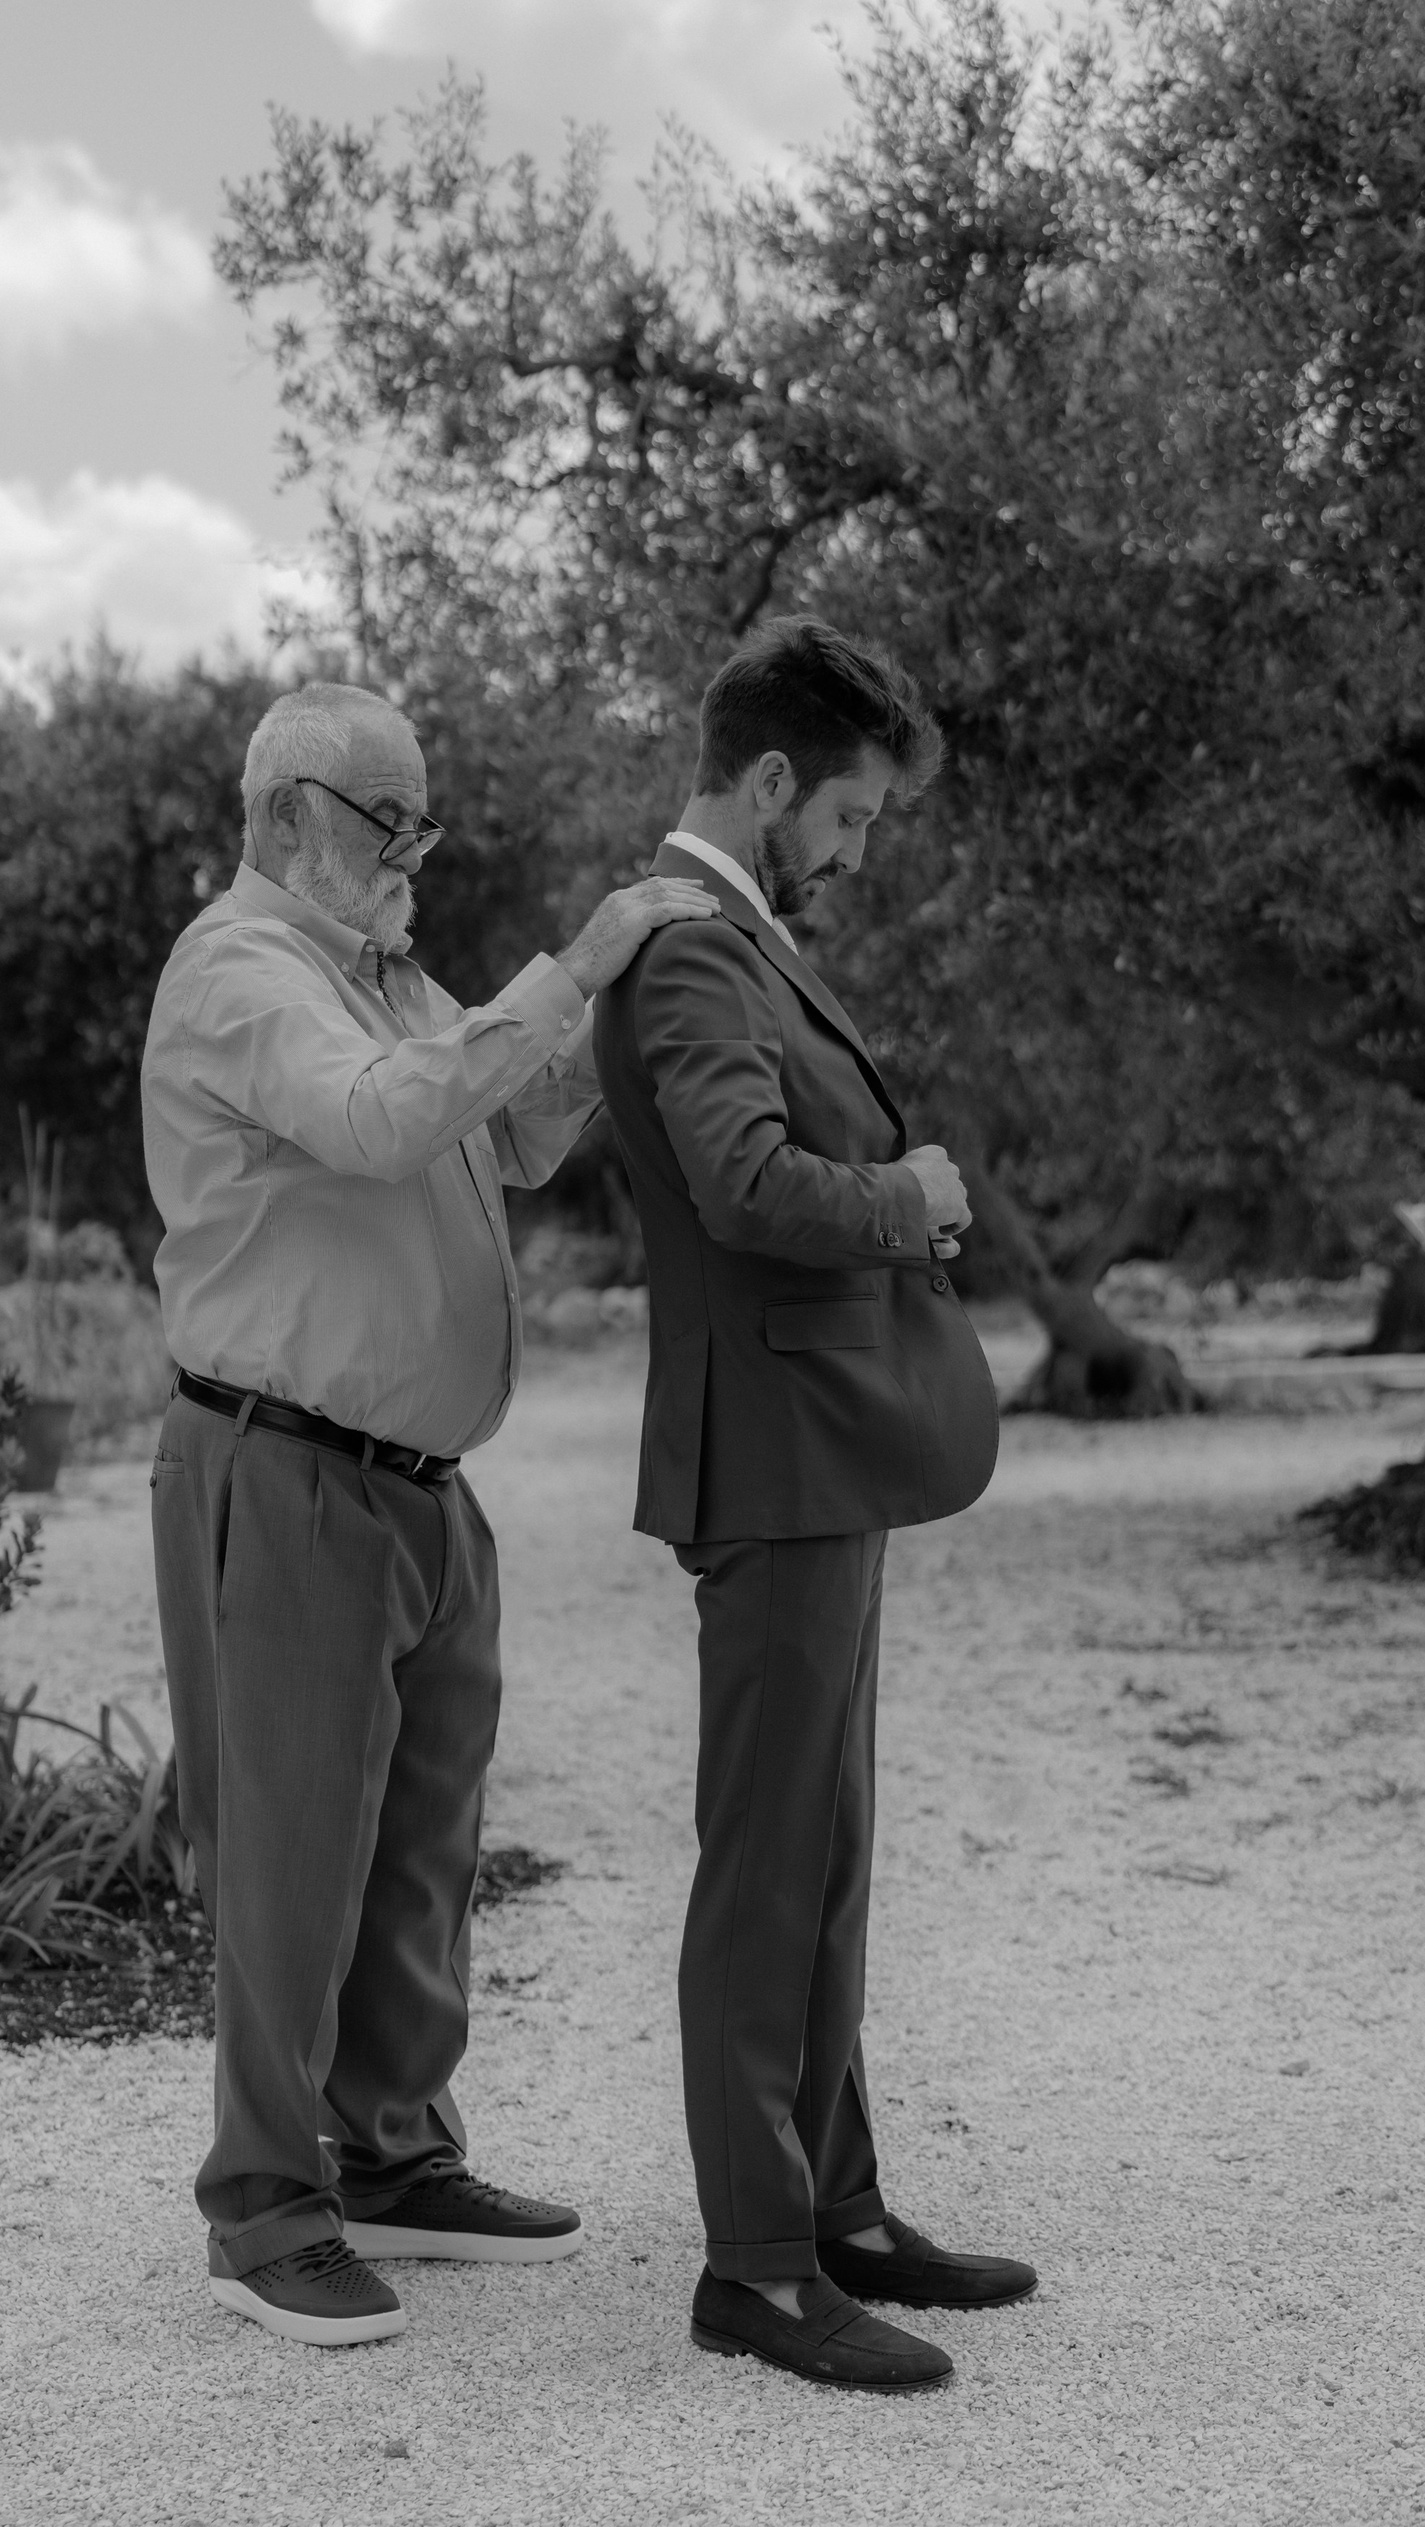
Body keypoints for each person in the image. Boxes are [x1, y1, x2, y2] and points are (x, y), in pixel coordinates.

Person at [140, 679, 720, 2348]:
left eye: (419, 819)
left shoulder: (390, 976)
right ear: (287, 816)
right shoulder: (241, 970)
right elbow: (385, 1120)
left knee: (423, 1852)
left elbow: (511, 1135)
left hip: (419, 1490)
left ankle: (395, 2156)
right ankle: (264, 2207)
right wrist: (577, 961)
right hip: (288, 1467)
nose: (413, 850)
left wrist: (619, 1022)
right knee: (291, 1858)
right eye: (386, 818)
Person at [594, 616, 1034, 2393]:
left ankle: (836, 2209)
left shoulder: (737, 941)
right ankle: (759, 2269)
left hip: (818, 1453)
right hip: (772, 1460)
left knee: (828, 1856)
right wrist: (911, 1195)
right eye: (847, 816)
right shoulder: (694, 950)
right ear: (771, 782)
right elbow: (745, 1181)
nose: (853, 853)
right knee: (767, 1870)